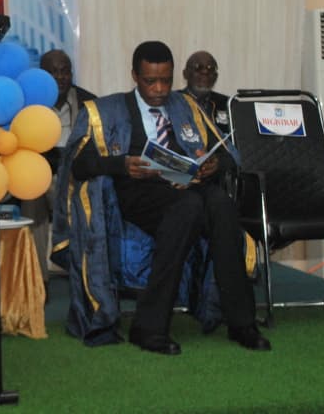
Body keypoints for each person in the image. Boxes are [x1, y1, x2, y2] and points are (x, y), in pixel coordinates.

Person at [61, 41, 269, 355]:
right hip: (136, 193)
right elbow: (78, 164)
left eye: (166, 80)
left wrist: (215, 164)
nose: (159, 89)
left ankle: (242, 323)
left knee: (220, 204)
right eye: (150, 81)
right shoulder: (106, 110)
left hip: (186, 186)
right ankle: (150, 327)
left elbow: (230, 155)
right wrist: (121, 165)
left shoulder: (185, 106)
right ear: (135, 75)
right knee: (190, 207)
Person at [27, 50, 95, 290]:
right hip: (42, 176)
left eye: (65, 71)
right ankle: (39, 282)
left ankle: (85, 278)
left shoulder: (89, 104)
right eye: (53, 72)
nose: (60, 77)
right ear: (42, 75)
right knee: (31, 199)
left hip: (77, 177)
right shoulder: (30, 104)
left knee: (90, 195)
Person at [181, 51, 230, 136]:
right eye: (198, 67)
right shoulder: (173, 101)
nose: (205, 72)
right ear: (185, 74)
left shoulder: (228, 104)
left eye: (210, 68)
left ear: (216, 76)